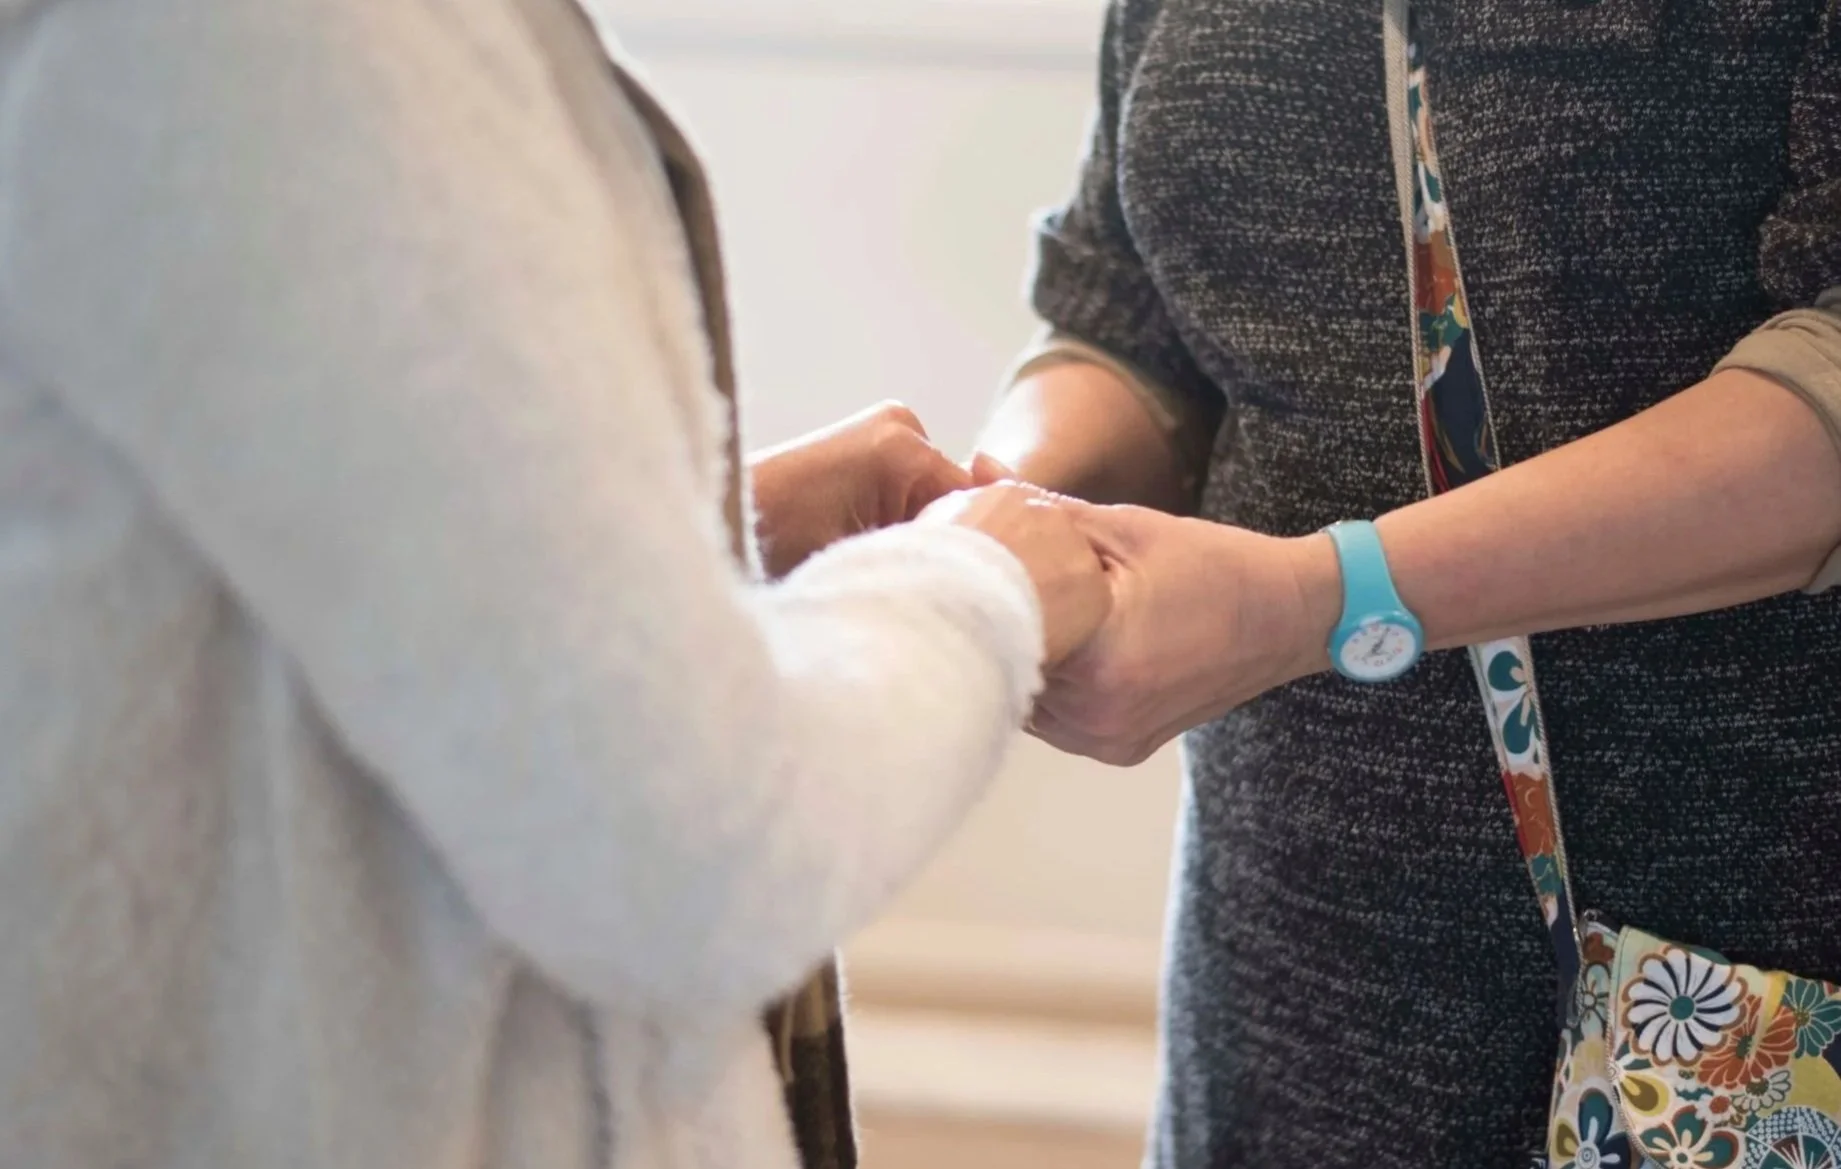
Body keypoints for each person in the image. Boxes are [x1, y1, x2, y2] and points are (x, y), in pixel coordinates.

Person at [0, 2, 1113, 1168]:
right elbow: (684, 852)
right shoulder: (272, 45)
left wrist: (673, 543)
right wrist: (976, 590)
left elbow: (259, 554)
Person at [974, 0, 1841, 1164]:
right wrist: (991, 510)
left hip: (1726, 984)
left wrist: (1321, 599)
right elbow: (1125, 318)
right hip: (1282, 978)